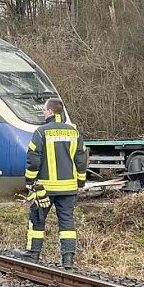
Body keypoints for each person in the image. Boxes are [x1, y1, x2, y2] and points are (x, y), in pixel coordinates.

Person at [14, 98, 88, 269]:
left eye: (45, 110)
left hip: (44, 189)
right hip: (69, 188)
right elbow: (81, 159)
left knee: (37, 219)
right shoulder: (74, 132)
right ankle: (68, 259)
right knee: (67, 222)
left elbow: (33, 159)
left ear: (50, 112)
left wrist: (30, 181)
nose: (43, 112)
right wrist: (81, 182)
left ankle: (33, 255)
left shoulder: (40, 132)